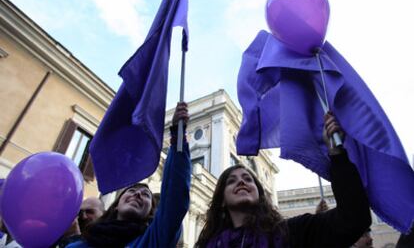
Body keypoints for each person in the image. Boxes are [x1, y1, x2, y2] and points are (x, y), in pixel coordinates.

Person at [196, 112, 371, 247]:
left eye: (248, 179)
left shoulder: (292, 233)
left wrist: (337, 155)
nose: (242, 182)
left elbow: (354, 219)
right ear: (222, 201)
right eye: (231, 181)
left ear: (261, 195)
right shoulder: (207, 245)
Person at [67, 102, 191, 247]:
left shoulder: (152, 240)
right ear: (115, 206)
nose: (137, 194)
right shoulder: (80, 245)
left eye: (146, 195)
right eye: (131, 191)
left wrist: (178, 134)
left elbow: (175, 195)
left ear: (149, 214)